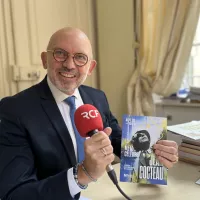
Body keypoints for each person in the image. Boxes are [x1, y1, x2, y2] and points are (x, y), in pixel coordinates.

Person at [0, 27, 178, 200]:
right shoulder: (14, 109)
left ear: (90, 67)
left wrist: (154, 155)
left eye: (80, 57)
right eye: (60, 53)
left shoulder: (97, 97)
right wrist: (83, 175)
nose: (69, 65)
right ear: (45, 59)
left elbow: (119, 141)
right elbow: (14, 194)